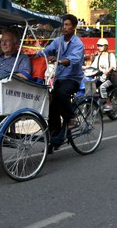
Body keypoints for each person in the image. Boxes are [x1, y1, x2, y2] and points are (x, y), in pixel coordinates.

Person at [39, 14, 85, 145]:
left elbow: (73, 59)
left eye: (67, 25)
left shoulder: (78, 44)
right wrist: (34, 57)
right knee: (52, 106)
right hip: (59, 78)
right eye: (63, 25)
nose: (64, 27)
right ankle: (54, 138)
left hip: (72, 79)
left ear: (74, 27)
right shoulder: (58, 41)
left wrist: (58, 60)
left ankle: (72, 118)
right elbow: (46, 51)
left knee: (61, 94)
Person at [91, 38, 117, 111]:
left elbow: (112, 65)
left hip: (110, 78)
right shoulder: (98, 57)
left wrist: (107, 71)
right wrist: (84, 67)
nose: (98, 47)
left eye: (100, 45)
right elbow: (92, 66)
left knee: (102, 87)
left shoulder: (110, 55)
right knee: (90, 85)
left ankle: (109, 104)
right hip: (100, 78)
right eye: (98, 45)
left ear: (105, 46)